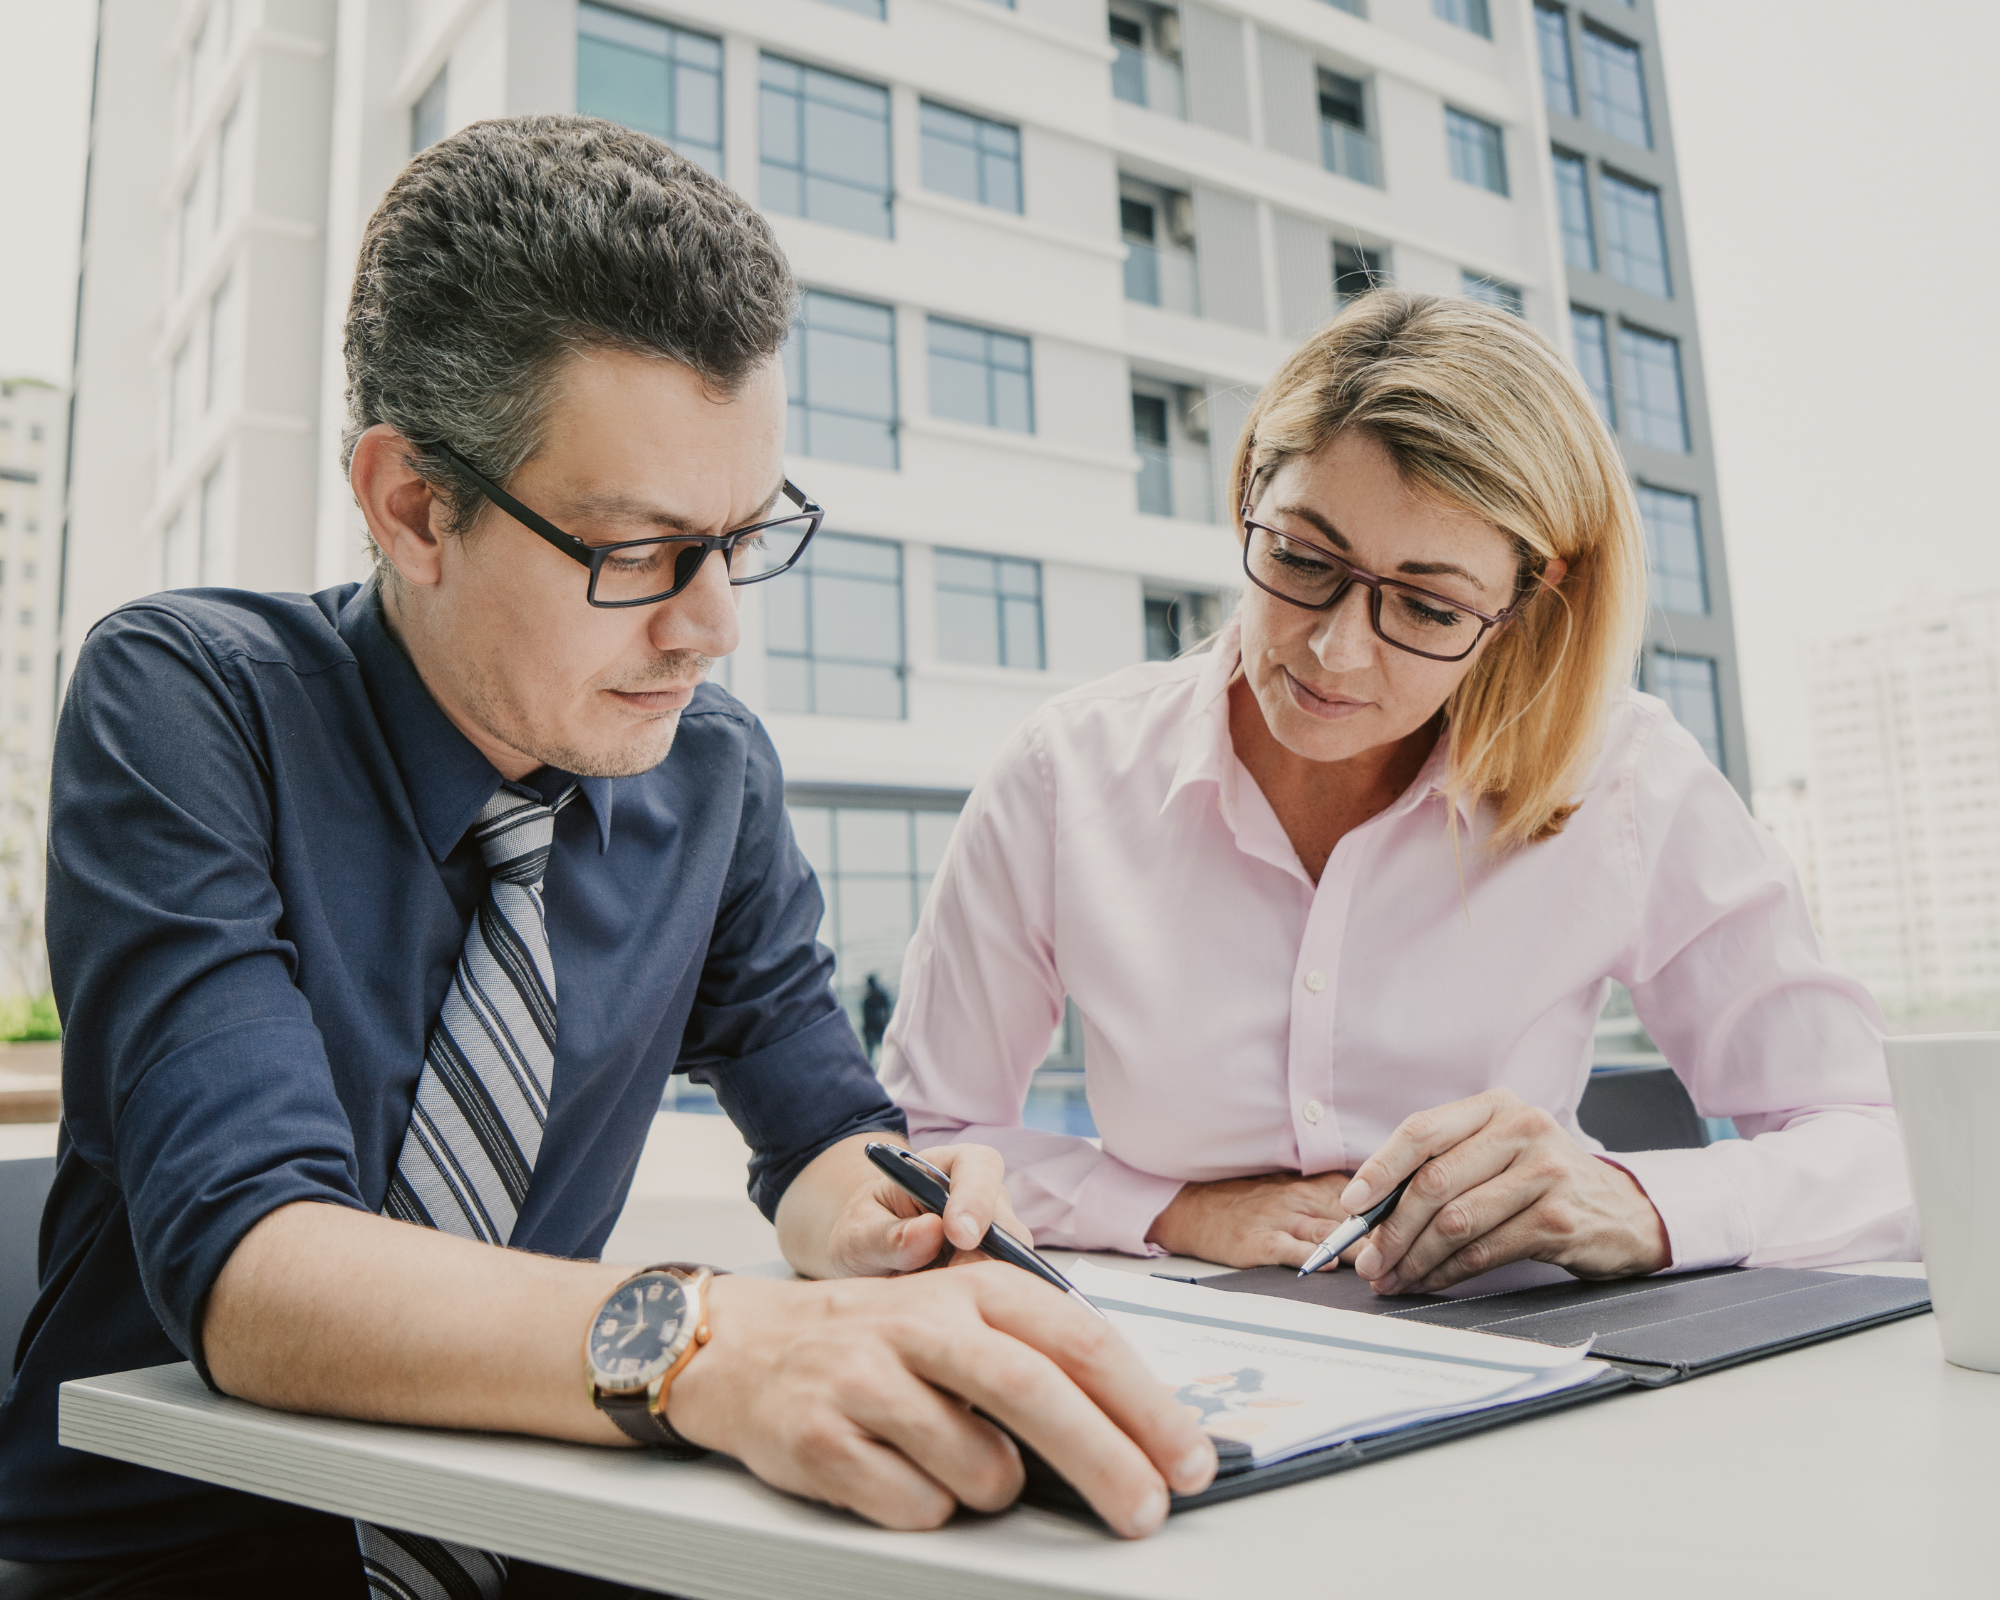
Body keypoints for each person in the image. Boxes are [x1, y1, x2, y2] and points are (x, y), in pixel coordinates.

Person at [0, 117, 1214, 1598]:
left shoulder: (711, 778)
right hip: (174, 1557)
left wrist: (894, 1218)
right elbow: (259, 1272)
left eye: (743, 539)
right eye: (637, 553)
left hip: (543, 1535)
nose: (711, 628)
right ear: (412, 504)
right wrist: (704, 1340)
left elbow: (820, 1125)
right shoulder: (188, 700)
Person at [883, 290, 1917, 1292]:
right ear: (1247, 487)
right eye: (1300, 556)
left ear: (1529, 595)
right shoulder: (1066, 774)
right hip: (1183, 1352)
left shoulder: (1625, 778)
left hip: (1531, 1362)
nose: (1333, 650)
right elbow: (918, 1138)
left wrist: (1634, 1205)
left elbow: (1882, 1146)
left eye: (1424, 607)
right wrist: (1165, 1209)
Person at [861, 974, 893, 1060]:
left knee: (886, 1052)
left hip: (878, 1029)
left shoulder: (876, 997)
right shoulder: (872, 998)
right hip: (875, 1029)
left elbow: (886, 1012)